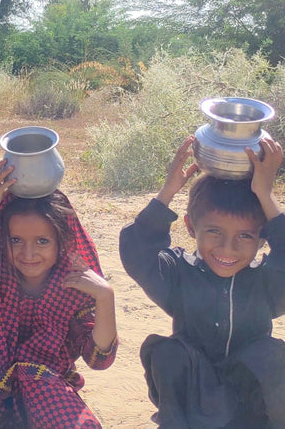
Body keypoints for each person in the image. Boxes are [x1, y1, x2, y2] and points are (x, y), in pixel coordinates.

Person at [0, 160, 118, 428]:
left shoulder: (74, 289)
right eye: (16, 240)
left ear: (61, 243)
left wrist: (105, 296)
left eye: (42, 241)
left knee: (36, 377)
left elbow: (99, 359)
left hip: (44, 403)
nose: (28, 254)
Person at [120, 135, 285, 427]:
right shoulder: (178, 273)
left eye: (245, 236)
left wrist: (265, 194)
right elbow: (137, 253)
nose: (227, 249)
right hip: (193, 400)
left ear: (263, 238)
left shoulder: (267, 284)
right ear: (190, 226)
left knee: (273, 355)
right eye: (214, 232)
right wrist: (167, 192)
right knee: (167, 354)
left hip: (250, 404)